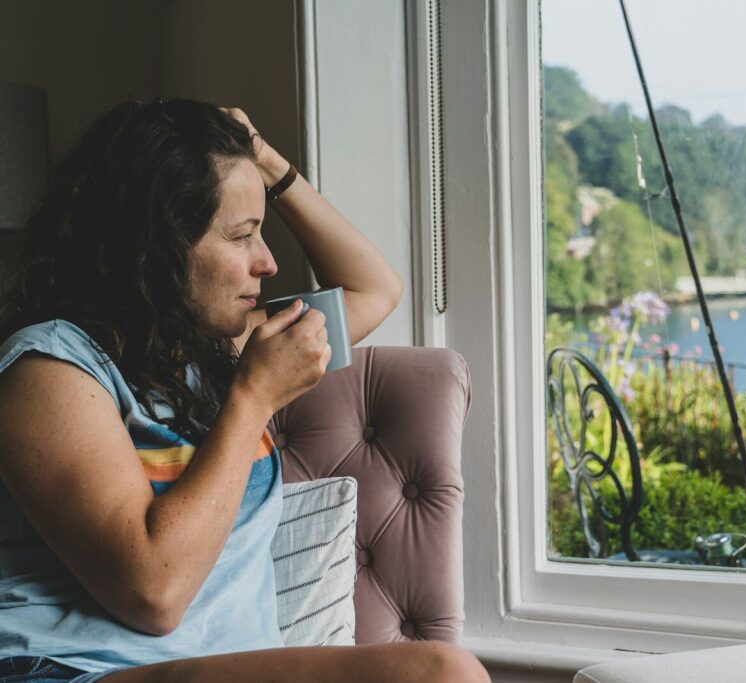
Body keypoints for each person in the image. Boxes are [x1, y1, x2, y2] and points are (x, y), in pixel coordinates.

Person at [0, 99, 489, 683]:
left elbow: (373, 288)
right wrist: (252, 400)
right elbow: (154, 593)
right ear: (154, 247)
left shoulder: (205, 354)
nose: (269, 263)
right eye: (242, 236)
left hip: (218, 667)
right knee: (440, 672)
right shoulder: (49, 370)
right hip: (72, 669)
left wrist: (263, 159)